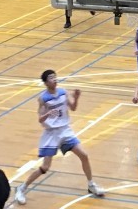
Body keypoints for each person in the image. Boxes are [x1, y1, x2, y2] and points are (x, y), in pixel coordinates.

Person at [13, 70, 105, 205]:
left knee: (84, 155)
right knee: (45, 167)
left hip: (65, 131)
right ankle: (22, 188)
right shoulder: (43, 98)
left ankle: (91, 185)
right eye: (51, 78)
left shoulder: (63, 92)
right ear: (45, 83)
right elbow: (40, 119)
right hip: (51, 133)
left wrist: (76, 97)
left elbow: (73, 108)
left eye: (55, 77)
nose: (55, 79)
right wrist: (48, 114)